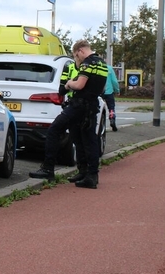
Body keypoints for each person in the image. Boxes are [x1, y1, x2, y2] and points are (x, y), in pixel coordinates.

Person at [30, 40, 109, 188]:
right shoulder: (102, 64)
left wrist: (69, 84)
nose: (77, 59)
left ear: (80, 51)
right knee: (87, 139)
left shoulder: (88, 63)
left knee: (54, 129)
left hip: (79, 105)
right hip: (92, 106)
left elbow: (79, 84)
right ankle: (90, 174)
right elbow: (103, 88)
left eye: (76, 56)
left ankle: (48, 169)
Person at [103, 66, 120, 131]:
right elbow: (114, 81)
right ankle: (112, 119)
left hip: (99, 92)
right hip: (109, 91)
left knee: (98, 107)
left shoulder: (95, 67)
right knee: (111, 107)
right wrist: (117, 90)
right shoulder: (109, 69)